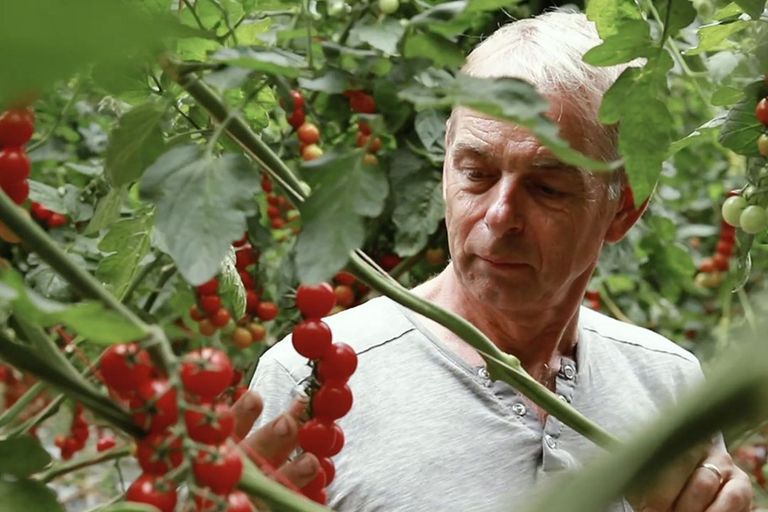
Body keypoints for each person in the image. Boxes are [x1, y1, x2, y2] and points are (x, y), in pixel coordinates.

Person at [233, 10, 753, 512]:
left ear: (623, 210)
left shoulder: (666, 381)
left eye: (547, 187)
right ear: (444, 174)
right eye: (476, 174)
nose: (500, 215)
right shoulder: (311, 375)